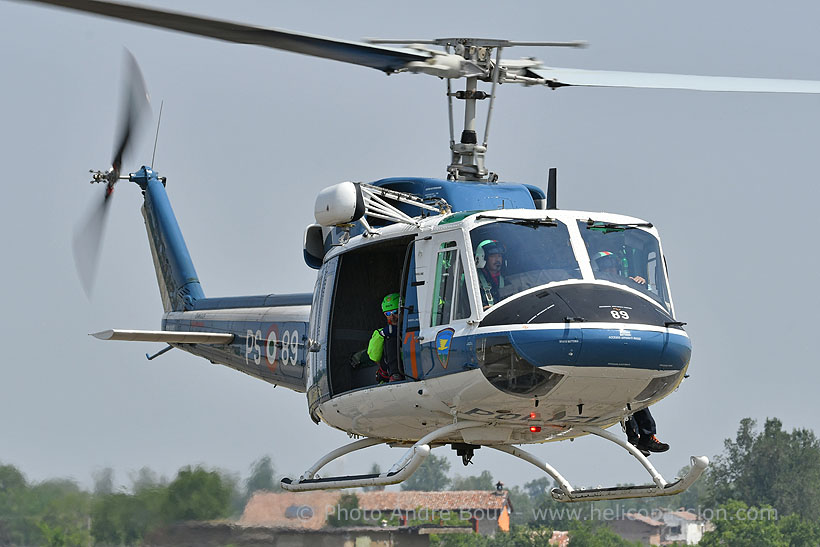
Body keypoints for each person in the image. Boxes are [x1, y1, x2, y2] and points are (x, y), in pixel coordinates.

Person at [368, 292, 403, 383]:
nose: (392, 317)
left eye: (395, 312)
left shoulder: (413, 326)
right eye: (388, 314)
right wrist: (383, 334)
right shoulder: (380, 333)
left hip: (412, 367)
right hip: (390, 377)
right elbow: (374, 356)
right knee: (390, 339)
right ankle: (395, 374)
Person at [476, 239, 506, 309]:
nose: (497, 259)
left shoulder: (507, 277)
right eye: (493, 256)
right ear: (483, 257)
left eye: (499, 256)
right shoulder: (473, 280)